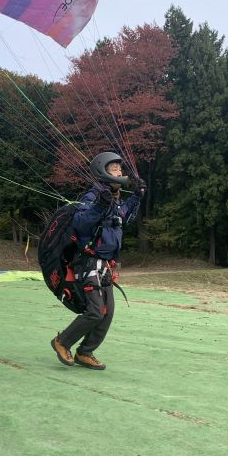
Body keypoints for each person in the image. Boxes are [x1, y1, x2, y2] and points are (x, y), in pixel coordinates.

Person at [50, 152, 146, 370]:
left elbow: (125, 217)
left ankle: (85, 352)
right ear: (103, 171)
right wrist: (99, 207)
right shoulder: (93, 197)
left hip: (106, 266)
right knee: (95, 311)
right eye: (114, 169)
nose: (120, 172)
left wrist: (137, 197)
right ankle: (62, 341)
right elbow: (80, 223)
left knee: (107, 312)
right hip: (88, 262)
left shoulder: (116, 200)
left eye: (120, 169)